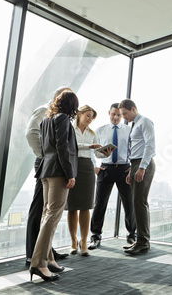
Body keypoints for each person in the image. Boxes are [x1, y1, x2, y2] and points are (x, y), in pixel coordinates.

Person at [29, 90, 79, 282]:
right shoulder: (64, 119)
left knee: (46, 215)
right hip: (58, 172)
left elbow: (45, 148)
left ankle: (49, 259)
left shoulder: (46, 120)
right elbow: (62, 148)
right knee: (52, 216)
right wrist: (70, 173)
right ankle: (39, 263)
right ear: (72, 105)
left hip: (45, 171)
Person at [25, 87, 70, 266]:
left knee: (47, 208)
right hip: (46, 163)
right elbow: (31, 133)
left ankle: (46, 251)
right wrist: (46, 154)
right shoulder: (45, 110)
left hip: (51, 162)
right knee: (39, 209)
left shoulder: (57, 115)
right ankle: (32, 253)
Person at [88, 103, 136, 250]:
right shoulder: (100, 131)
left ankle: (132, 235)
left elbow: (134, 149)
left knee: (129, 203)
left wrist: (132, 167)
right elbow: (92, 150)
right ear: (109, 113)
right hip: (106, 168)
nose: (115, 117)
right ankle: (95, 236)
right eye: (113, 114)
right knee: (99, 203)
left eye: (119, 115)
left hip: (124, 169)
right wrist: (94, 166)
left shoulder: (129, 130)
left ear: (122, 115)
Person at [119, 99, 156, 255]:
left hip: (143, 164)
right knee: (136, 203)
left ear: (133, 109)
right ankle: (141, 239)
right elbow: (136, 147)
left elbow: (150, 145)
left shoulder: (145, 122)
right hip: (135, 164)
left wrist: (141, 167)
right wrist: (131, 170)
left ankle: (143, 242)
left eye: (125, 114)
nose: (124, 117)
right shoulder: (134, 124)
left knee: (139, 202)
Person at [65, 105, 101, 256]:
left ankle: (84, 241)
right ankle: (73, 241)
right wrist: (89, 146)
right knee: (72, 206)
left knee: (86, 206)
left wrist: (104, 152)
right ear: (79, 114)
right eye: (88, 115)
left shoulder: (92, 133)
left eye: (92, 117)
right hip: (72, 166)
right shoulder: (70, 130)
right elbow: (70, 147)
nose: (90, 119)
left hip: (87, 167)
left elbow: (96, 154)